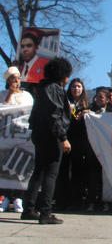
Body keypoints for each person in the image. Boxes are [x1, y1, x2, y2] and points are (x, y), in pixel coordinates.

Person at [21, 57, 72, 224]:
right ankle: (45, 212)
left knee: (39, 171)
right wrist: (63, 138)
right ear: (62, 75)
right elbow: (55, 116)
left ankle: (29, 209)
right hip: (51, 135)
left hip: (39, 133)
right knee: (50, 173)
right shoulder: (55, 89)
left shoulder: (42, 88)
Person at [0, 67, 33, 213]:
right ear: (7, 81)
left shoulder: (27, 96)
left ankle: (19, 197)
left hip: (22, 136)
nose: (16, 81)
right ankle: (6, 197)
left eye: (18, 78)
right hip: (6, 136)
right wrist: (10, 95)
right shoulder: (2, 94)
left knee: (20, 165)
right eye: (12, 78)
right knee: (4, 166)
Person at [55, 78, 89, 211]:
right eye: (74, 87)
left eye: (79, 87)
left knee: (77, 171)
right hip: (65, 139)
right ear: (70, 89)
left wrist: (87, 114)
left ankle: (76, 200)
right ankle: (61, 200)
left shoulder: (86, 105)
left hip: (79, 141)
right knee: (63, 170)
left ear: (82, 89)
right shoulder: (64, 103)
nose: (76, 89)